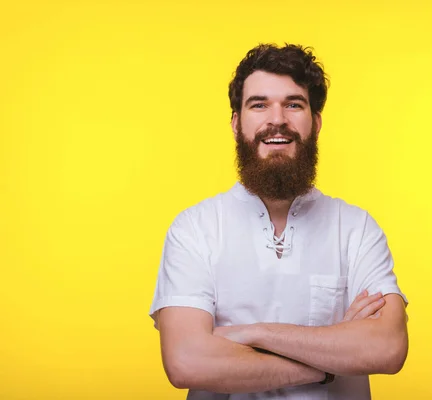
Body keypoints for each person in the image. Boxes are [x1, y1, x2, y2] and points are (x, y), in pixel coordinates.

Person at [148, 43, 409, 400]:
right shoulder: (194, 229)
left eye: (293, 104)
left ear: (315, 123)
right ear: (237, 123)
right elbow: (186, 361)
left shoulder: (356, 229)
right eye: (259, 104)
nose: (277, 119)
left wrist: (252, 334)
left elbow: (387, 347)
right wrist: (330, 359)